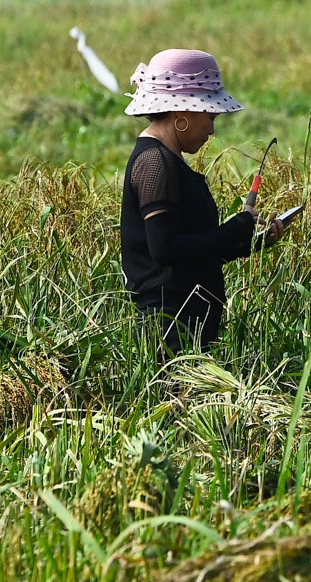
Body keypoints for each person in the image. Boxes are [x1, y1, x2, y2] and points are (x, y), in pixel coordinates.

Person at [120, 48, 288, 354]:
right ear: (181, 113)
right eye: (209, 116)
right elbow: (165, 249)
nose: (212, 129)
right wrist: (236, 228)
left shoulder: (168, 160)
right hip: (170, 331)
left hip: (188, 326)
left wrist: (248, 243)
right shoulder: (155, 163)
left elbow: (189, 252)